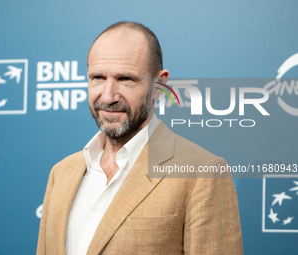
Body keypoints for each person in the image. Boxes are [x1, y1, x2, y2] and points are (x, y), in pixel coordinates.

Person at [37, 21, 243, 255]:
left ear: (159, 86)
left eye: (125, 79)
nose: (108, 96)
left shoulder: (201, 174)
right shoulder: (61, 173)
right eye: (98, 78)